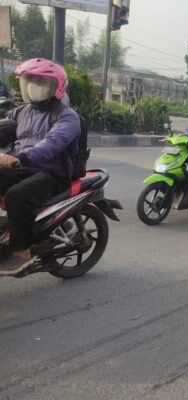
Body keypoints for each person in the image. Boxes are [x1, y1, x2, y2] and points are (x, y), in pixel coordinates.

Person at [0, 58, 81, 274]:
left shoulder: (67, 117)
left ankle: (21, 251)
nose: (33, 87)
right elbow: (3, 129)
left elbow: (50, 145)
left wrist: (21, 158)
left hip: (52, 172)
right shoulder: (22, 111)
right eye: (29, 81)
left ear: (56, 87)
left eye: (41, 82)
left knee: (17, 196)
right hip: (23, 167)